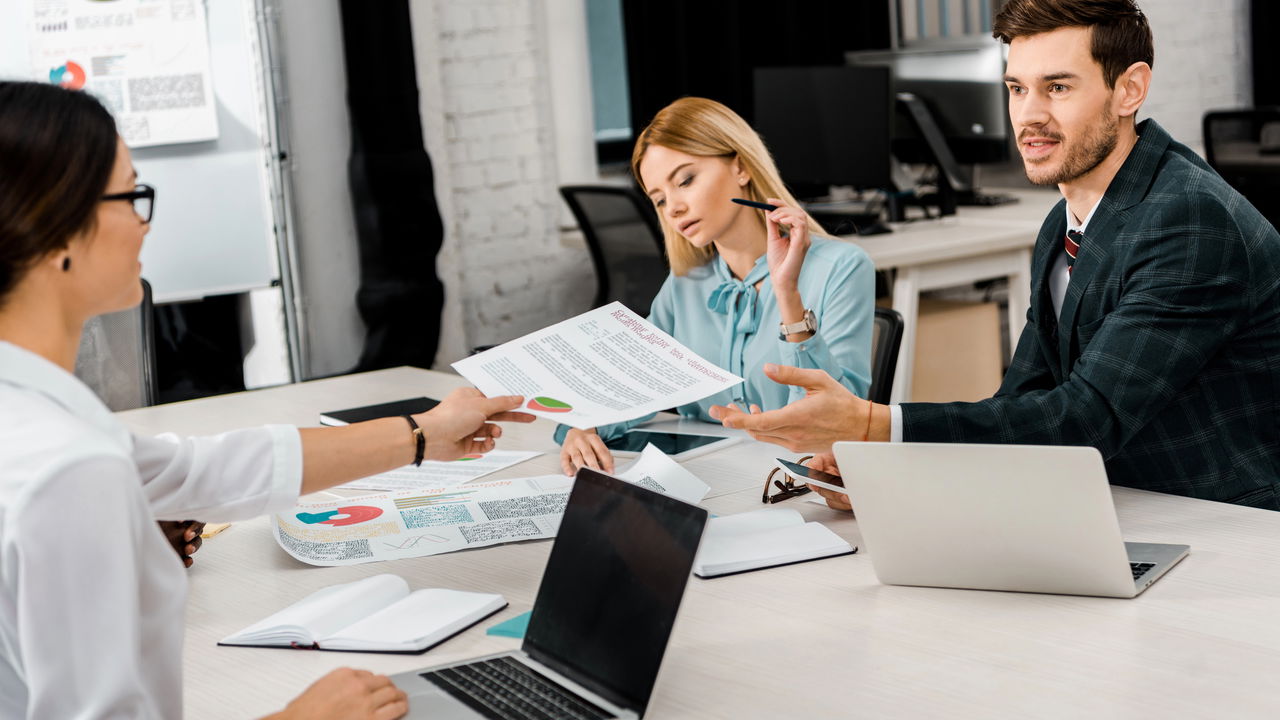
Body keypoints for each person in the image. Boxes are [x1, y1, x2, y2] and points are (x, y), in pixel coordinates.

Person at [0, 81, 535, 719]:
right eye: (131, 195)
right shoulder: (69, 468)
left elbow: (197, 470)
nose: (145, 223)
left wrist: (425, 431)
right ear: (58, 228)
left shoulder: (33, 420)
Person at [711, 0, 1280, 510]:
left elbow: (1084, 419)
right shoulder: (1066, 220)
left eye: (1057, 87)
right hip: (1112, 502)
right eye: (1016, 88)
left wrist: (873, 425)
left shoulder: (1189, 220)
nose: (1029, 115)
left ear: (1129, 89)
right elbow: (1025, 400)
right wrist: (889, 470)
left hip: (1221, 521)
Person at [557, 97, 876, 475]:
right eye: (658, 200)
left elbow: (836, 419)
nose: (673, 207)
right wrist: (582, 427)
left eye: (685, 181)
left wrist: (787, 292)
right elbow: (625, 390)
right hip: (712, 476)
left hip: (793, 479)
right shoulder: (684, 284)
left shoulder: (840, 268)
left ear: (740, 167)